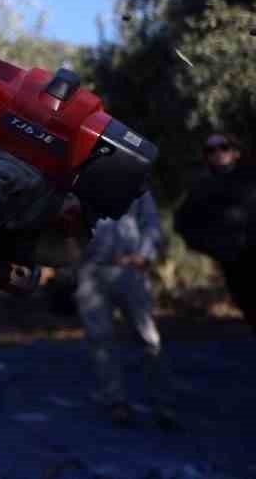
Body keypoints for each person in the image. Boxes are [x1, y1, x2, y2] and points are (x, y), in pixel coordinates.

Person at [75, 187, 174, 427]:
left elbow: (151, 223)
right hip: (91, 270)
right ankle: (116, 402)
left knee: (148, 337)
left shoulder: (136, 183)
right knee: (100, 339)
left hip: (131, 269)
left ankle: (162, 403)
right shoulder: (78, 184)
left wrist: (144, 254)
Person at [176, 131, 256, 331]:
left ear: (235, 152)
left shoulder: (251, 178)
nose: (218, 153)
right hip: (234, 264)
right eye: (211, 149)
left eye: (224, 147)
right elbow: (183, 223)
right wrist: (214, 247)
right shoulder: (201, 186)